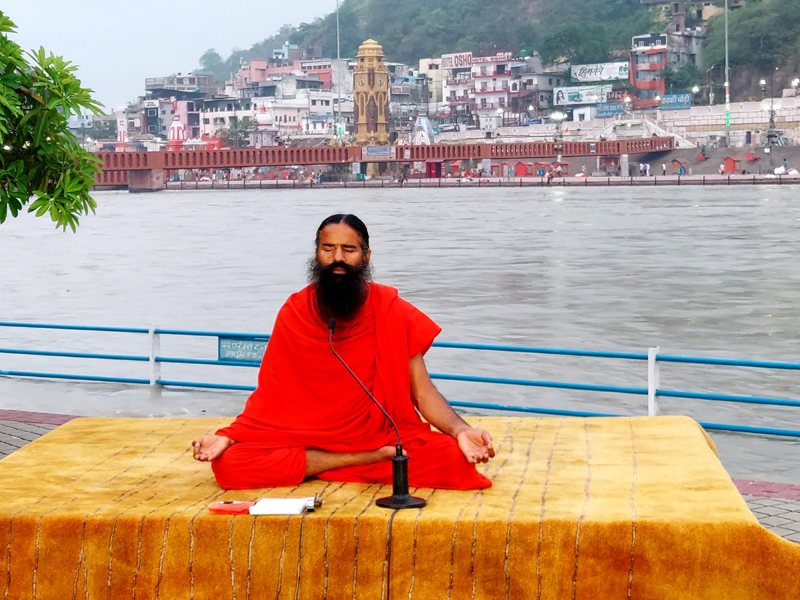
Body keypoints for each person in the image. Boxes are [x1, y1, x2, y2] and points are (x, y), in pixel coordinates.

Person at [192, 214, 495, 490]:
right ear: (317, 254)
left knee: (453, 459)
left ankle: (322, 464)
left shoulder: (390, 310)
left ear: (366, 256)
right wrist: (230, 436)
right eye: (328, 248)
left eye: (348, 250)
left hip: (376, 437)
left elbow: (423, 392)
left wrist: (460, 430)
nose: (337, 258)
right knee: (230, 464)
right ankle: (359, 460)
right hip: (308, 437)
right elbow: (270, 397)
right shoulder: (295, 311)